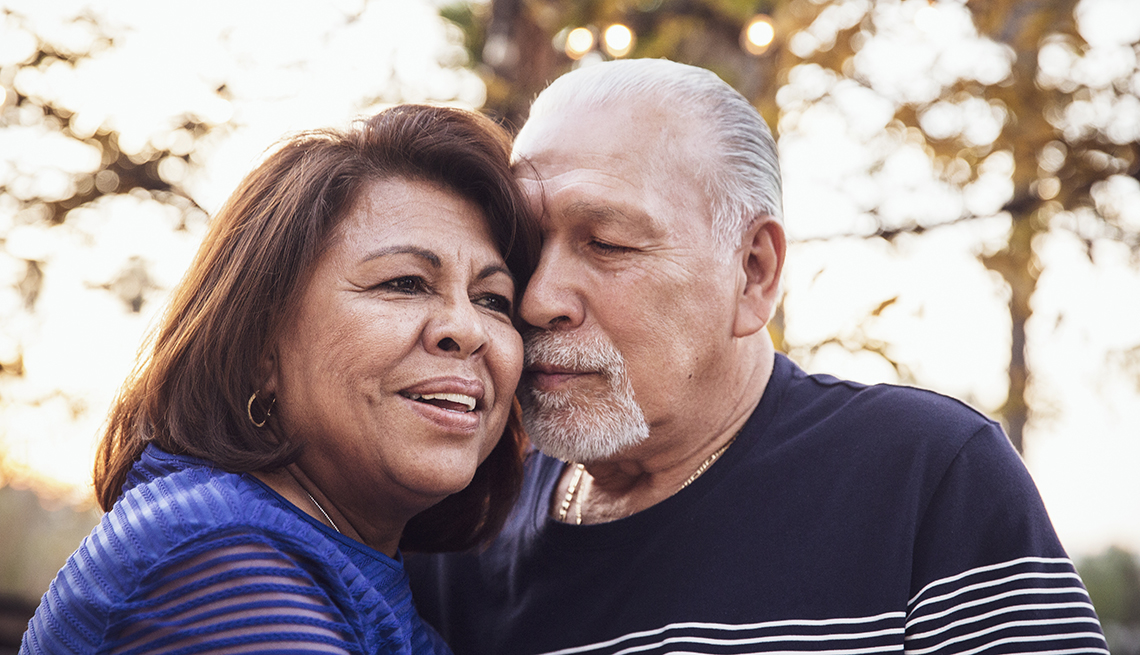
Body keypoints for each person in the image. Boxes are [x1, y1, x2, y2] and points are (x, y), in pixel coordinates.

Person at [406, 59, 1109, 655]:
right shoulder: (459, 524)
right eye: (526, 249)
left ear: (753, 271)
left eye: (608, 243)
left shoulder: (927, 478)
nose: (538, 300)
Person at [20, 104, 538, 654]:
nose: (467, 328)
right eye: (405, 282)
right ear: (260, 348)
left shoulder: (356, 573)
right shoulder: (215, 559)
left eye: (492, 299)